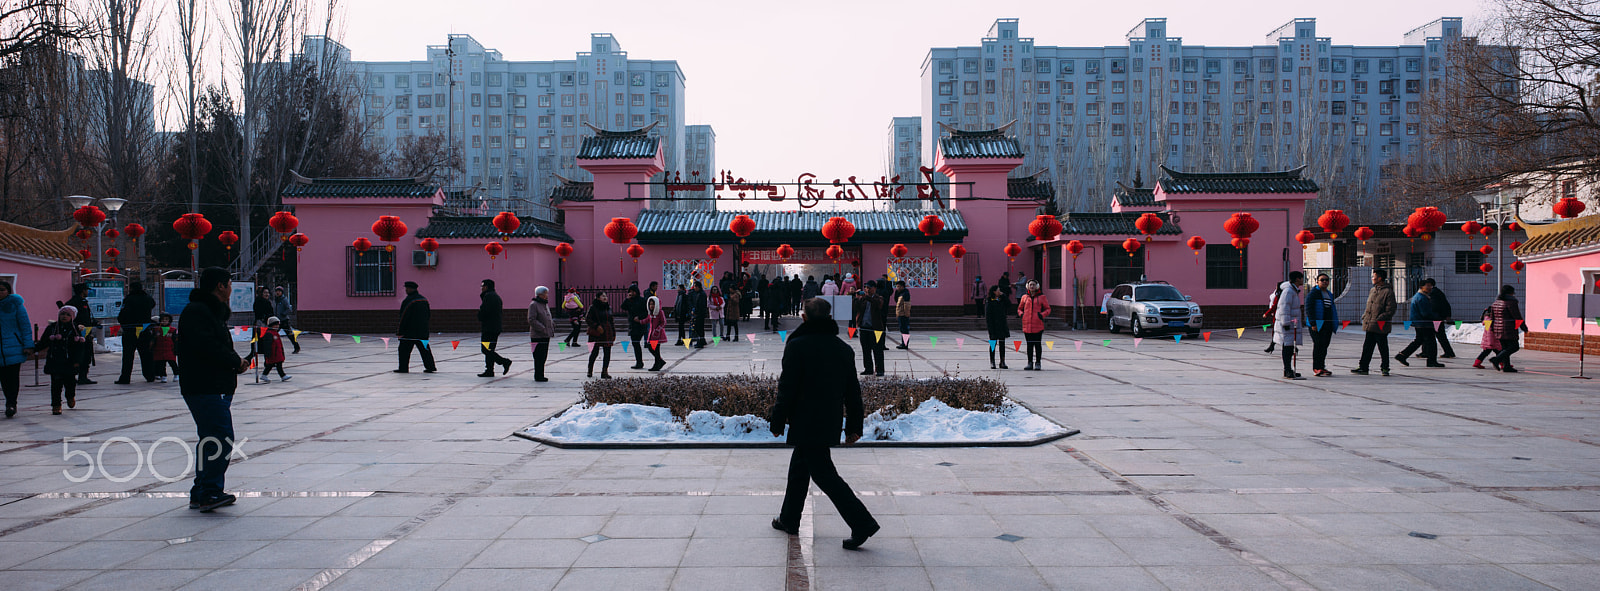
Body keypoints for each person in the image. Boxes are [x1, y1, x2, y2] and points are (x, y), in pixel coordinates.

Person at [768, 297, 880, 550]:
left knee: (824, 475)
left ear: (804, 318)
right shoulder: (842, 349)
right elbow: (853, 392)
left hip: (805, 420)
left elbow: (787, 388)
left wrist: (777, 420)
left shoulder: (797, 345)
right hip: (828, 419)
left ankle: (862, 522)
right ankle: (789, 518)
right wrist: (854, 426)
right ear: (829, 318)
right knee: (800, 467)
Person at [178, 267, 249, 512]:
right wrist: (234, 361)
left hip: (213, 384)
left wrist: (235, 363)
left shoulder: (208, 312)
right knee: (221, 437)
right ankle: (210, 491)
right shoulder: (198, 311)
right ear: (220, 285)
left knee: (210, 439)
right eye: (229, 283)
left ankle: (201, 491)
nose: (231, 288)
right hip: (204, 384)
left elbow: (216, 346)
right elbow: (207, 346)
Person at [40, 306, 86, 414]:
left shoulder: (75, 330)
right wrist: (33, 349)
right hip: (55, 361)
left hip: (70, 362)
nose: (64, 316)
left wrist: (77, 361)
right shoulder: (52, 328)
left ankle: (70, 396)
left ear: (72, 317)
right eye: (62, 314)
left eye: (68, 315)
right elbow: (43, 342)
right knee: (56, 385)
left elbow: (80, 348)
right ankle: (56, 405)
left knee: (70, 383)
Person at [1353, 269, 1397, 376]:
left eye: (1374, 277)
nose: (1372, 279)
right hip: (1370, 324)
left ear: (1380, 278)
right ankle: (1363, 367)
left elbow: (1390, 309)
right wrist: (1365, 317)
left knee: (1383, 347)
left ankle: (1385, 367)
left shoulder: (1388, 292)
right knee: (1367, 347)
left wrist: (1379, 318)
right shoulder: (1373, 290)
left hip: (1380, 325)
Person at [0, 280, 32, 418]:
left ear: (8, 291)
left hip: (13, 347)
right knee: (3, 379)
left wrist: (28, 344)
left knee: (12, 378)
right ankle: (9, 401)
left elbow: (25, 326)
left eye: (2, 289)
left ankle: (11, 403)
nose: (0, 292)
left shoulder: (16, 305)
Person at [1396, 278, 1445, 368]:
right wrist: (1437, 317)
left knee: (1418, 341)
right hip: (1424, 323)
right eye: (1428, 286)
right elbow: (1425, 313)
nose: (1430, 287)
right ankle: (1431, 361)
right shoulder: (1422, 298)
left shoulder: (1420, 296)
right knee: (1431, 342)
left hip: (1419, 323)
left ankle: (1402, 355)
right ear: (1422, 287)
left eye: (1431, 286)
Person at [115, 280, 156, 384]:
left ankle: (125, 377)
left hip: (130, 330)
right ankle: (149, 375)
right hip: (144, 330)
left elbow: (123, 314)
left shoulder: (129, 299)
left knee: (128, 356)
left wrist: (123, 322)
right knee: (146, 354)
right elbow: (153, 304)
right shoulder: (148, 298)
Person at [395, 281, 436, 373]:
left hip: (409, 332)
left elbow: (403, 317)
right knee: (425, 350)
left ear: (410, 289)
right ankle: (430, 367)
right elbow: (428, 315)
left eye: (406, 288)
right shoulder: (424, 300)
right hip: (423, 330)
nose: (405, 290)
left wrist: (400, 332)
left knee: (404, 351)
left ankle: (403, 368)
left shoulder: (409, 301)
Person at [1305, 273, 1339, 377]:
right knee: (1318, 345)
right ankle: (1316, 367)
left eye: (1326, 280)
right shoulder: (1313, 293)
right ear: (1317, 282)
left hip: (1327, 324)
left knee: (1324, 345)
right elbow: (1309, 309)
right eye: (1322, 280)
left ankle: (1322, 366)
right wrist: (1313, 323)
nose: (1325, 282)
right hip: (1317, 324)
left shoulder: (1329, 293)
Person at [1273, 272, 1306, 380]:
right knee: (1287, 348)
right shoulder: (1288, 291)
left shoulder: (1293, 291)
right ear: (1297, 279)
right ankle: (1287, 370)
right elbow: (1284, 308)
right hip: (1288, 324)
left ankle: (1289, 369)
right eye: (1302, 278)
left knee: (1290, 347)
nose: (1303, 280)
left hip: (1293, 324)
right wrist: (1286, 323)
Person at [477, 279, 513, 378]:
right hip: (494, 327)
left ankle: (504, 362)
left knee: (486, 350)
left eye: (482, 286)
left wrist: (479, 315)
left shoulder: (488, 297)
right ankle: (489, 370)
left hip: (489, 328)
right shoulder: (495, 296)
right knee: (490, 349)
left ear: (486, 287)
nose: (481, 288)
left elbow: (484, 312)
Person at [1487, 285, 1527, 372]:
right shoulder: (1511, 302)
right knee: (1514, 347)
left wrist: (1492, 328)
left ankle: (1506, 366)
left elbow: (1492, 317)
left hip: (1498, 328)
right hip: (1508, 328)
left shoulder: (1496, 303)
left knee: (1505, 348)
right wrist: (1523, 326)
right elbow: (1517, 316)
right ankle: (1497, 359)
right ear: (1510, 292)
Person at [65, 283, 95, 385]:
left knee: (84, 355)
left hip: (85, 333)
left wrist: (93, 323)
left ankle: (82, 376)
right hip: (78, 334)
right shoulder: (74, 303)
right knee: (79, 356)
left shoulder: (82, 302)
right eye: (86, 290)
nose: (87, 292)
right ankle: (76, 376)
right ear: (83, 291)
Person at [1018, 280, 1051, 370]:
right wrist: (1022, 314)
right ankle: (1029, 362)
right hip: (1027, 325)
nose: (1032, 286)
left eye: (1033, 285)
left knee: (1037, 345)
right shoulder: (1024, 297)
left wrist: (1041, 315)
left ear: (1037, 286)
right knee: (1029, 345)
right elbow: (1019, 309)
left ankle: (1038, 362)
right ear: (1027, 286)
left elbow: (1048, 309)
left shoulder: (1042, 297)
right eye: (1030, 285)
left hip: (1038, 325)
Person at [853, 285, 885, 376]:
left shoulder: (879, 298)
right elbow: (856, 308)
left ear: (874, 288)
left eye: (869, 288)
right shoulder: (862, 299)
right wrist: (856, 298)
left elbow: (878, 305)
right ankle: (868, 368)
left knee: (877, 350)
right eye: (866, 288)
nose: (867, 290)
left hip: (875, 328)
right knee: (866, 350)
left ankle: (880, 370)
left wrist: (867, 297)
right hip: (864, 327)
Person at [586, 291, 616, 379]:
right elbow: (588, 319)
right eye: (603, 296)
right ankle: (590, 369)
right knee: (594, 352)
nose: (605, 297)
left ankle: (604, 371)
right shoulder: (593, 307)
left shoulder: (608, 308)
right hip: (597, 333)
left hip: (607, 332)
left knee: (607, 352)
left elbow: (611, 321)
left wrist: (613, 333)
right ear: (598, 297)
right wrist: (596, 326)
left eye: (606, 296)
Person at [527, 286, 554, 382]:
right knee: (538, 356)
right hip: (538, 335)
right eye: (546, 293)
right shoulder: (534, 304)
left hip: (546, 334)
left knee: (543, 356)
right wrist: (542, 328)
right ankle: (538, 375)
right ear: (540, 294)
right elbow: (532, 319)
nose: (547, 295)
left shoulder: (544, 304)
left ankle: (541, 374)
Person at [620, 285, 648, 369]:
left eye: (633, 291)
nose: (632, 293)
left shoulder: (642, 300)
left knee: (637, 343)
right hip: (632, 325)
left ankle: (641, 362)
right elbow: (623, 307)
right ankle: (639, 362)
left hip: (640, 324)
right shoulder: (629, 301)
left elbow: (646, 312)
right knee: (635, 344)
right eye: (630, 291)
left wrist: (639, 317)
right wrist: (627, 299)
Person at [1428, 283, 1457, 359]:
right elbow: (1446, 304)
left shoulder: (1433, 294)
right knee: (1440, 336)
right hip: (1439, 317)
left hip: (1436, 318)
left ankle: (1448, 352)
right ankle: (1449, 352)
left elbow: (1434, 306)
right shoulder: (1438, 292)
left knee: (1434, 336)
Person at [148, 313, 179, 383]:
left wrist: (176, 349)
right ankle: (163, 376)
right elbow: (153, 340)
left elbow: (176, 340)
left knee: (173, 363)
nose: (164, 321)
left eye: (166, 320)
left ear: (169, 321)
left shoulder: (173, 330)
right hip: (159, 350)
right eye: (162, 320)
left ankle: (176, 374)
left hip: (170, 350)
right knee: (161, 365)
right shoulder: (156, 330)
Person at [985, 286, 1011, 369]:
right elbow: (988, 316)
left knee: (1002, 344)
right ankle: (992, 361)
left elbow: (1009, 305)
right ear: (994, 292)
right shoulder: (989, 301)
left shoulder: (1002, 299)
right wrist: (990, 328)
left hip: (1002, 324)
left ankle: (1002, 361)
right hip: (993, 325)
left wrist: (1004, 296)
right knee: (993, 344)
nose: (1000, 291)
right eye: (998, 290)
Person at [258, 317, 290, 382]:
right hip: (273, 353)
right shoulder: (269, 333)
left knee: (276, 365)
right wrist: (267, 353)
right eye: (275, 325)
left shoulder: (275, 333)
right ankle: (266, 375)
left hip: (277, 353)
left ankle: (282, 376)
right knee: (272, 365)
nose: (277, 326)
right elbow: (267, 345)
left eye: (278, 325)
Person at [272, 287, 300, 354]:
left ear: (282, 292)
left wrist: (283, 314)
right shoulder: (276, 300)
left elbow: (289, 309)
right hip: (277, 320)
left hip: (284, 320)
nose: (277, 293)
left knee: (290, 334)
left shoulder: (284, 299)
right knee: (273, 333)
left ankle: (296, 347)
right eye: (276, 291)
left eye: (279, 291)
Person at [644, 295, 668, 371]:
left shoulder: (660, 312)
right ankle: (660, 361)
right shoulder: (651, 313)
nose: (652, 306)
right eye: (650, 304)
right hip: (651, 335)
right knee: (650, 347)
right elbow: (647, 320)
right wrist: (640, 321)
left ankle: (657, 364)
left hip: (658, 335)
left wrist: (657, 330)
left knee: (656, 350)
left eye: (653, 304)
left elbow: (663, 322)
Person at [688, 281, 709, 347]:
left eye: (695, 287)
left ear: (698, 287)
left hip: (700, 314)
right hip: (699, 313)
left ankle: (700, 342)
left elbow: (700, 305)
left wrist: (696, 312)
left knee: (698, 328)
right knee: (700, 328)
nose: (694, 288)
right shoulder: (698, 293)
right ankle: (702, 340)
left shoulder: (701, 294)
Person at [893, 281, 912, 350]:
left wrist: (906, 315)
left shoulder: (905, 293)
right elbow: (896, 301)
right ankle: (903, 343)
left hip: (903, 315)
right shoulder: (900, 293)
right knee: (902, 329)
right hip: (900, 314)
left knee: (905, 330)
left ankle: (905, 344)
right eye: (896, 286)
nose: (897, 288)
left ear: (902, 286)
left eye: (898, 286)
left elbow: (907, 305)